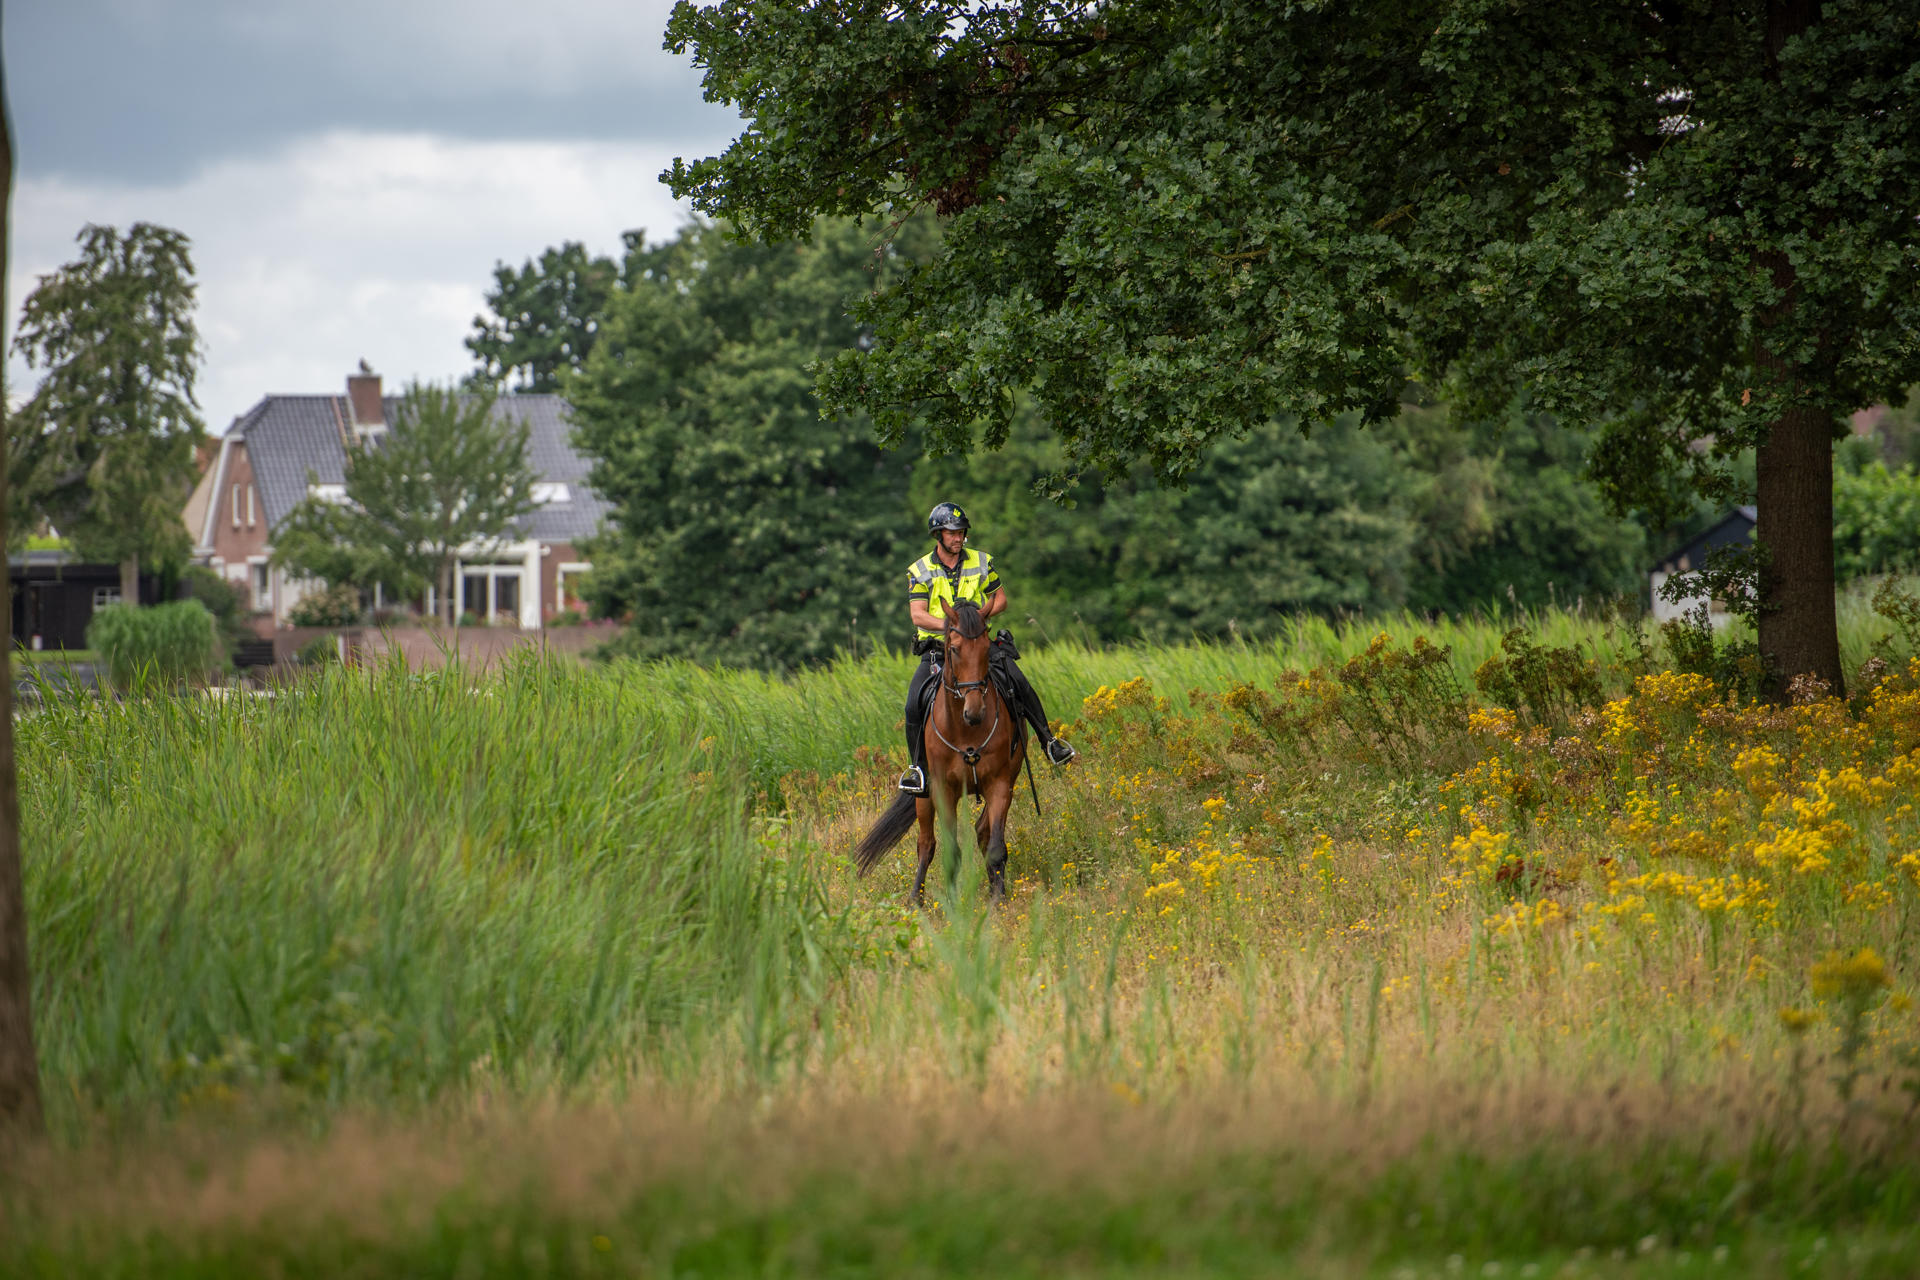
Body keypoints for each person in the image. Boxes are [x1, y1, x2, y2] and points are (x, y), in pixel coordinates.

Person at [899, 501, 1076, 795]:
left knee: (1018, 681)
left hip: (977, 643)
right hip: (938, 649)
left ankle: (1050, 742)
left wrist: (975, 623)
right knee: (913, 703)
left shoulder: (982, 562)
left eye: (961, 532)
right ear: (938, 535)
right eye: (952, 533)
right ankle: (918, 770)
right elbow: (917, 615)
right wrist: (953, 626)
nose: (959, 538)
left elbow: (1001, 599)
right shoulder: (920, 570)